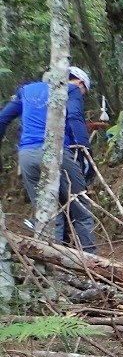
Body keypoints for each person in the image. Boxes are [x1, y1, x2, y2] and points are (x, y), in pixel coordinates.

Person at [0, 67, 98, 253]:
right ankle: (92, 261)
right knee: (81, 209)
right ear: (79, 82)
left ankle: (52, 267)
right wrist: (86, 153)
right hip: (57, 153)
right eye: (84, 92)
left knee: (47, 214)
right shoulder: (71, 89)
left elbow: (2, 119)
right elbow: (75, 117)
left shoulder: (26, 90)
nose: (82, 95)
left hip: (27, 155)